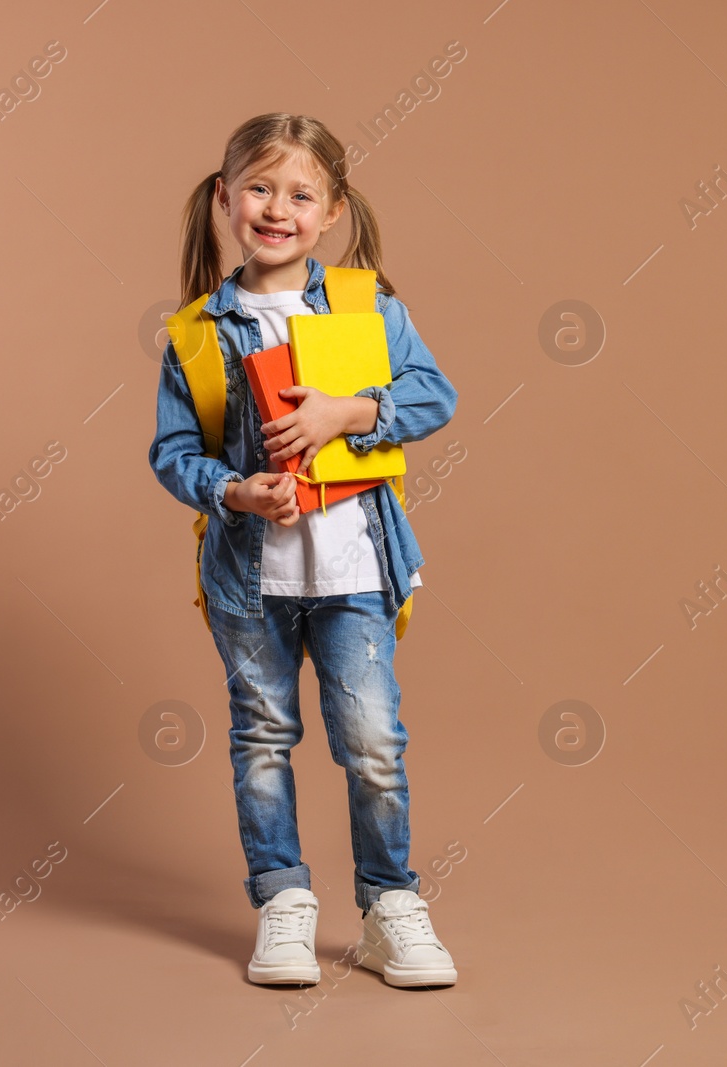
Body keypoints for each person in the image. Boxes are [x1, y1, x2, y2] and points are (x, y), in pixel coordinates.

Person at [148, 113, 460, 988]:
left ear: (331, 211)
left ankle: (391, 904)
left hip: (356, 569)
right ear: (224, 199)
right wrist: (233, 490)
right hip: (253, 579)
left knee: (372, 740)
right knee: (262, 737)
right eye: (258, 188)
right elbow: (173, 452)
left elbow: (435, 394)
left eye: (299, 194)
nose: (276, 208)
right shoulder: (198, 333)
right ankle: (282, 903)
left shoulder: (368, 309)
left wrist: (345, 413)